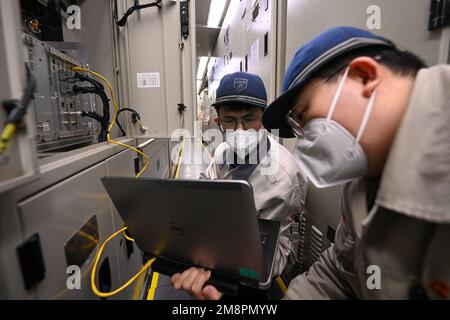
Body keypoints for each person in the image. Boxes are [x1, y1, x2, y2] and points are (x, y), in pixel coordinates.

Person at [171, 26, 450, 300]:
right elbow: (338, 272)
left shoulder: (281, 175)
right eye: (231, 121)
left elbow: (274, 256)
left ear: (364, 77)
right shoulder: (359, 189)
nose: (304, 136)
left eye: (303, 115)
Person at [171, 72, 308, 299]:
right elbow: (206, 187)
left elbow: (282, 255)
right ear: (218, 123)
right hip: (216, 249)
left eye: (249, 119)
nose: (240, 130)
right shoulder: (223, 151)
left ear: (262, 119)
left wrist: (222, 263)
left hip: (249, 281)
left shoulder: (283, 178)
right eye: (230, 120)